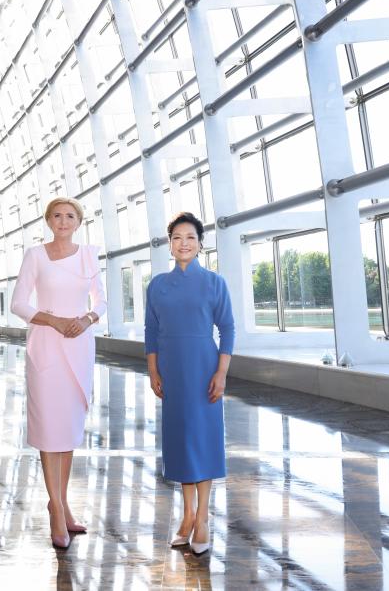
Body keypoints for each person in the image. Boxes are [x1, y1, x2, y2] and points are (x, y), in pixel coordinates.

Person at [10, 197, 107, 550]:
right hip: (46, 348)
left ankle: (63, 504)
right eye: (57, 215)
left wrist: (86, 320)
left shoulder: (89, 255)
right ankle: (54, 508)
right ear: (48, 220)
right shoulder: (35, 256)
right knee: (49, 429)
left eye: (70, 216)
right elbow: (18, 303)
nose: (63, 220)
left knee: (67, 431)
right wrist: (54, 319)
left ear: (78, 222)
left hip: (79, 346)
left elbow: (102, 301)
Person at [144, 211, 234, 555]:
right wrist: (153, 370)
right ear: (170, 245)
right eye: (177, 238)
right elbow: (152, 332)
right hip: (171, 370)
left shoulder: (215, 283)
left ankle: (203, 518)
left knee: (203, 438)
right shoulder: (157, 285)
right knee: (180, 439)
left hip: (204, 368)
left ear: (200, 244)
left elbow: (228, 329)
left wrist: (221, 373)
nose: (184, 243)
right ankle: (187, 515)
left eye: (190, 238)